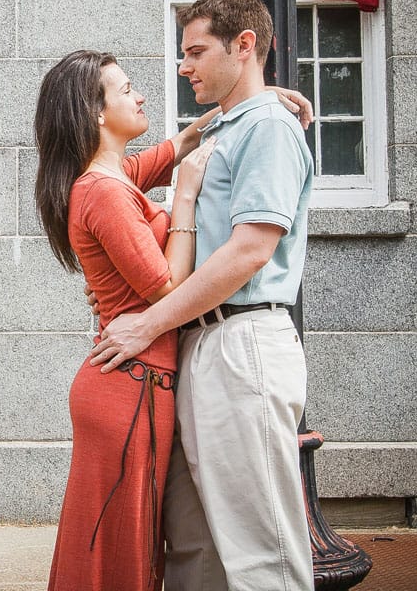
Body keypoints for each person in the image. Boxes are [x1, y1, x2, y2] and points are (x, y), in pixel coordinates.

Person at [35, 48, 311, 591]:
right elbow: (169, 287)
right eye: (127, 89)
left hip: (142, 380)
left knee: (125, 542)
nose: (141, 97)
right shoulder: (105, 191)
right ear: (95, 113)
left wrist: (251, 100)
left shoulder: (116, 175)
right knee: (115, 547)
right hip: (130, 386)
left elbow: (181, 145)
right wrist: (183, 200)